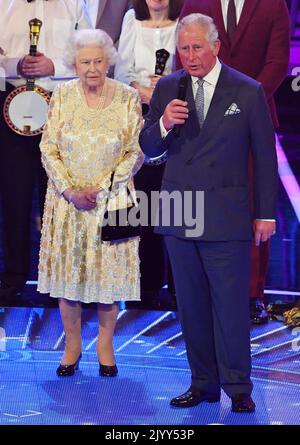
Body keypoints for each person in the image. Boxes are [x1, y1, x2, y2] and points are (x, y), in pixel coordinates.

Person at [139, 13, 278, 412]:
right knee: (192, 306)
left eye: (197, 47)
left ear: (216, 46)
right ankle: (202, 384)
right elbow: (148, 148)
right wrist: (163, 124)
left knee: (230, 306)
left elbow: (265, 159)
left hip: (226, 215)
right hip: (179, 211)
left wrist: (265, 214)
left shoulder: (248, 91)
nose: (190, 55)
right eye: (184, 48)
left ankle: (239, 388)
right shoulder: (168, 88)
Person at [37, 29, 144, 376]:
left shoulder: (128, 97)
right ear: (75, 64)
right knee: (68, 276)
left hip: (114, 200)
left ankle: (105, 343)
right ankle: (72, 344)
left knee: (109, 280)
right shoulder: (62, 96)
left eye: (98, 61)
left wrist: (100, 189)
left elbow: (135, 151)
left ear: (109, 61)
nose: (93, 68)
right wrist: (69, 190)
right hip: (66, 202)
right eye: (85, 62)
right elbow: (48, 147)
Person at [176, 0, 290, 324]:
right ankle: (203, 293)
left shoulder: (273, 5)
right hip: (200, 120)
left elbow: (277, 62)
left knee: (255, 210)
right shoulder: (195, 2)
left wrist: (242, 104)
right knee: (204, 208)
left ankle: (252, 295)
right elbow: (183, 55)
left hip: (255, 122)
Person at [0, 0, 92, 304]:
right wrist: (15, 65)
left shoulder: (73, 5)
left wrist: (56, 67)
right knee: (14, 198)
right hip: (11, 109)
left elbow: (91, 54)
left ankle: (57, 278)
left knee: (58, 198)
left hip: (60, 107)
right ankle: (13, 277)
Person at [115, 0, 183, 299]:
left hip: (177, 118)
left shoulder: (185, 20)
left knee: (176, 204)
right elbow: (120, 72)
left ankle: (181, 284)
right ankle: (142, 282)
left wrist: (165, 90)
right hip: (137, 118)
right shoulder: (132, 19)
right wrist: (143, 91)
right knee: (137, 201)